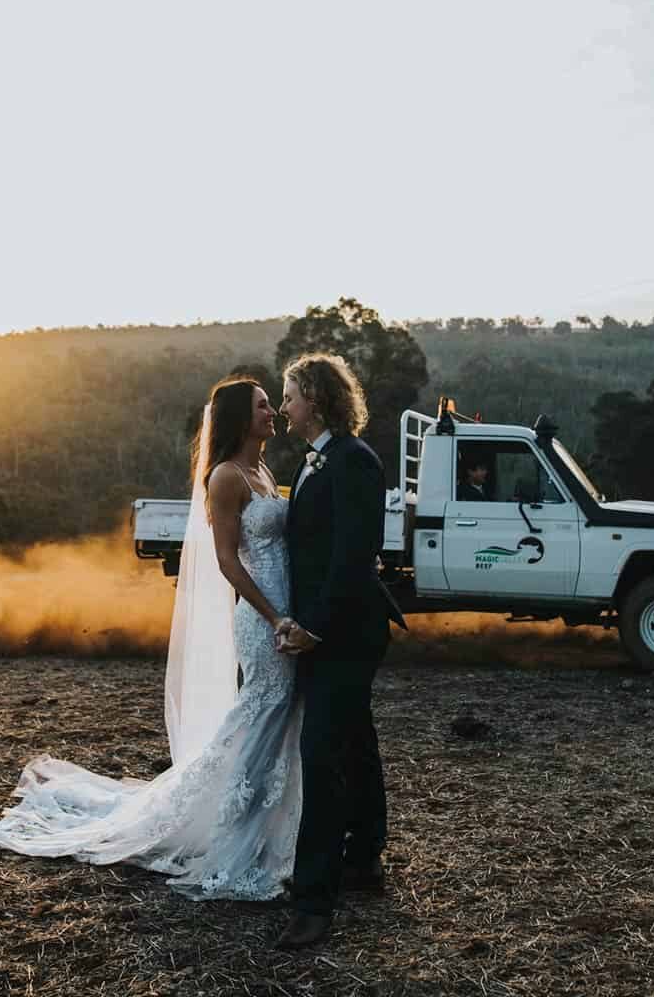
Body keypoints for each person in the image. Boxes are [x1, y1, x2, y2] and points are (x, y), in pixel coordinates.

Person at [0, 376, 303, 900]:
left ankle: (266, 830)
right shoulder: (225, 477)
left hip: (286, 607)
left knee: (278, 713)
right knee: (262, 709)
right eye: (264, 406)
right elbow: (226, 560)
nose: (273, 413)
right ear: (242, 417)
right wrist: (273, 616)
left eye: (273, 404)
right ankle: (233, 833)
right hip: (262, 618)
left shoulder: (263, 470)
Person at [273, 352, 406, 949]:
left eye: (291, 395)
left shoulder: (353, 460)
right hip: (328, 627)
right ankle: (365, 857)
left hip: (347, 631)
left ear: (318, 400)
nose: (284, 406)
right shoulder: (314, 461)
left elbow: (352, 557)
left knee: (322, 754)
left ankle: (312, 902)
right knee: (354, 737)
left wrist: (314, 628)